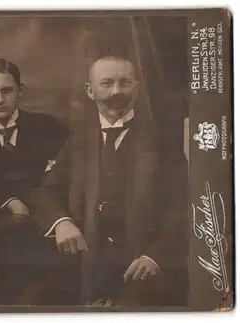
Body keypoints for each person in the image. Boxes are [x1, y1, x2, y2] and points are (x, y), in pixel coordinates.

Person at [29, 56, 188, 306]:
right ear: (90, 91)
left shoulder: (162, 141)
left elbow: (185, 208)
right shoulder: (79, 140)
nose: (116, 91)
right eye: (107, 83)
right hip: (86, 271)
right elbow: (45, 193)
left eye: (125, 83)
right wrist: (61, 223)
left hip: (144, 270)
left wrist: (155, 256)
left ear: (137, 87)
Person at [0, 58, 71, 304]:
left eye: (6, 91)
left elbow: (62, 180)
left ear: (20, 90)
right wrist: (7, 200)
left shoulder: (49, 128)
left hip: (43, 234)